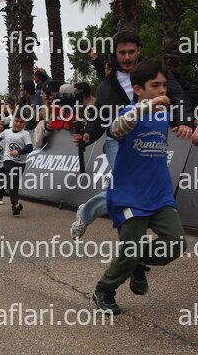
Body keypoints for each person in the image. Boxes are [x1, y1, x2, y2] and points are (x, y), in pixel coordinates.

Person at [71, 29, 195, 239]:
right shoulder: (106, 85)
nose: (127, 57)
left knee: (136, 188)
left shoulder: (156, 72)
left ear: (139, 50)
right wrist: (88, 135)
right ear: (115, 54)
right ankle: (129, 247)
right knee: (126, 187)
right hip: (117, 141)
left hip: (148, 138)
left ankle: (94, 216)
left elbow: (179, 96)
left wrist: (184, 121)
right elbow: (99, 116)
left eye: (131, 52)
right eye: (122, 53)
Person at [92, 58, 188, 315]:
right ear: (138, 89)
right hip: (129, 196)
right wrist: (145, 107)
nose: (162, 90)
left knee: (176, 243)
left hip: (160, 194)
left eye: (164, 85)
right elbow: (116, 130)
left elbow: (184, 110)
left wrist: (186, 124)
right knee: (130, 248)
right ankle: (105, 289)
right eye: (155, 85)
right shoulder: (129, 113)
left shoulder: (165, 113)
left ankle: (139, 261)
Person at [0, 111, 33, 215]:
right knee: (13, 179)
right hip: (8, 160)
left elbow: (30, 148)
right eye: (16, 121)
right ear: (13, 120)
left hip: (21, 162)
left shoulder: (25, 134)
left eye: (21, 122)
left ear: (25, 123)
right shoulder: (7, 132)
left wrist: (18, 152)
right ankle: (15, 205)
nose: (18, 124)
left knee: (13, 182)